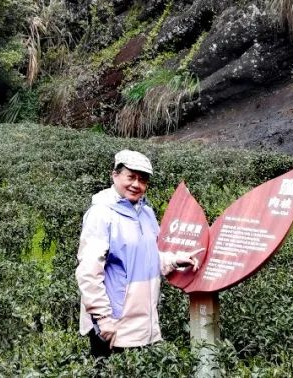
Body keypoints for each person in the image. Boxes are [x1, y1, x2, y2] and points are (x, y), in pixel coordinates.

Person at [76, 149, 204, 356]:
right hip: (114, 324)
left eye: (142, 180)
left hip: (144, 321)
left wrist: (174, 260)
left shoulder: (146, 212)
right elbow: (88, 271)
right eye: (131, 177)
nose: (136, 184)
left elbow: (144, 257)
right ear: (115, 175)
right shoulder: (101, 215)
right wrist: (102, 319)